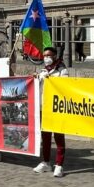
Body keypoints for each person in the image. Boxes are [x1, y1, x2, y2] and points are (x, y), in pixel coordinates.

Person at [33, 46, 69, 177]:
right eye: (44, 56)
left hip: (57, 109)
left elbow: (65, 86)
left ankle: (59, 164)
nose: (46, 58)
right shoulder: (43, 70)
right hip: (44, 108)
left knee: (59, 137)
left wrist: (52, 79)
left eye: (49, 55)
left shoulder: (62, 70)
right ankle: (45, 162)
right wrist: (36, 78)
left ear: (55, 56)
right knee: (45, 137)